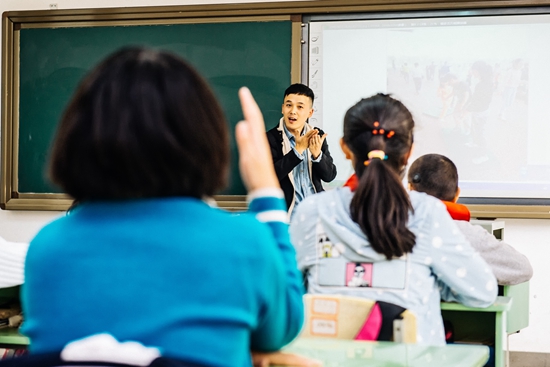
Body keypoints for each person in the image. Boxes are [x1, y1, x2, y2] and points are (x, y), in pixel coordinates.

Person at [19, 47, 306, 367]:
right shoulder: (242, 243)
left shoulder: (48, 248)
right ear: (204, 136)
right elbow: (283, 328)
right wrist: (266, 192)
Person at [290, 93, 497, 345]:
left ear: (345, 147)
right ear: (409, 152)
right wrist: (435, 284)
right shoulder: (427, 213)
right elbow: (483, 292)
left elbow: (282, 293)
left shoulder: (312, 212)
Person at [407, 153, 533, 285]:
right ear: (457, 194)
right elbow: (523, 269)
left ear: (410, 189)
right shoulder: (469, 235)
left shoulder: (390, 227)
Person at [266, 84, 337, 216]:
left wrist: (317, 156)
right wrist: (297, 151)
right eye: (288, 105)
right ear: (282, 108)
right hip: (288, 216)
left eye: (300, 107)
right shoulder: (270, 138)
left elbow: (330, 176)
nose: (293, 111)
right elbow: (269, 177)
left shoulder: (317, 135)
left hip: (317, 215)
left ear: (310, 112)